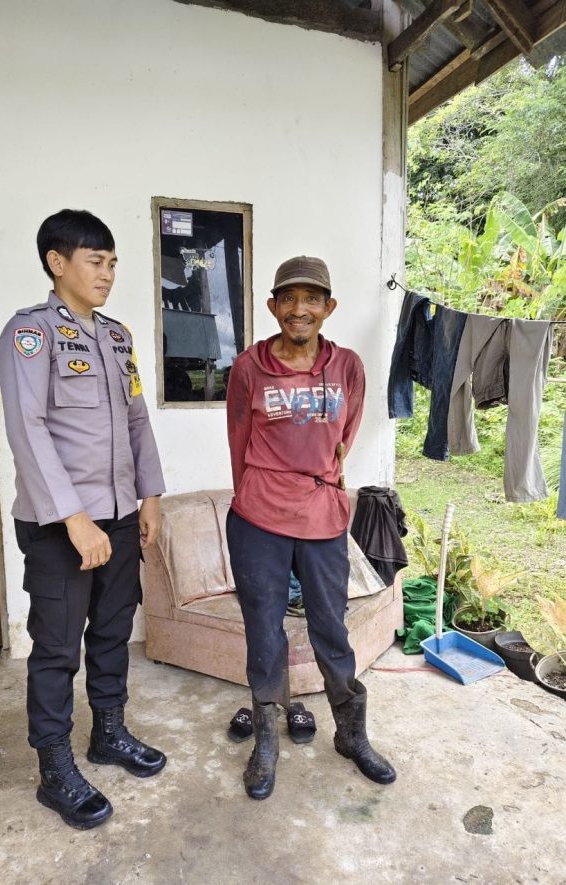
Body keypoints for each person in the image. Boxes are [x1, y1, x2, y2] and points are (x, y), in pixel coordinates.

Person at [0, 209, 166, 829]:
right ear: (57, 262)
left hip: (119, 518)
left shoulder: (118, 338)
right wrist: (73, 518)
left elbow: (138, 419)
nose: (108, 273)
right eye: (96, 261)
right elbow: (27, 428)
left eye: (114, 262)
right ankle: (54, 766)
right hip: (59, 526)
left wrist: (150, 496)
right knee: (57, 648)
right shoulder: (30, 336)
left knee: (114, 633)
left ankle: (109, 734)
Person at [225, 255, 396, 800]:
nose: (300, 309)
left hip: (322, 515)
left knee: (330, 626)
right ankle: (266, 742)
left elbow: (344, 435)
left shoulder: (346, 367)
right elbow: (238, 439)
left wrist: (316, 481)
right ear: (273, 306)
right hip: (259, 518)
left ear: (329, 308)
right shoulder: (249, 368)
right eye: (289, 298)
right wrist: (257, 494)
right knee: (264, 631)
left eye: (312, 299)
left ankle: (351, 732)